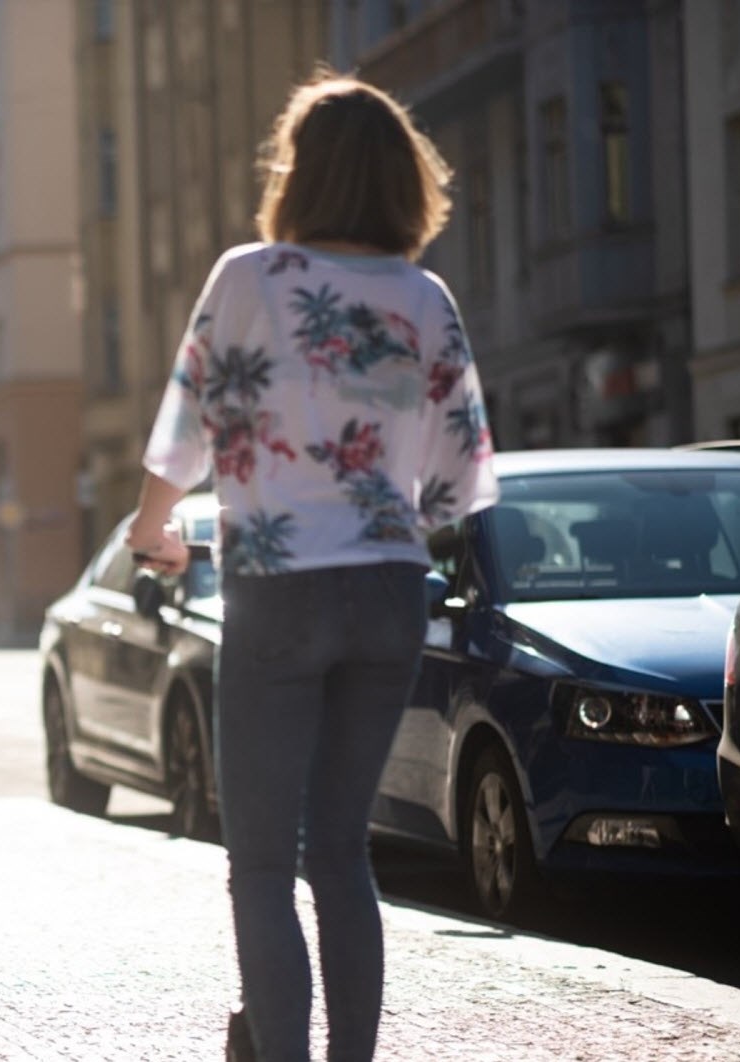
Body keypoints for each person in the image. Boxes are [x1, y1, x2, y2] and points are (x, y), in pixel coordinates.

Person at [126, 73, 498, 1062]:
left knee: (260, 865)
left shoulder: (251, 277)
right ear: (399, 181)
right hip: (386, 595)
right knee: (343, 854)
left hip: (279, 591)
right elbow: (461, 480)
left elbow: (182, 432)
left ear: (299, 174)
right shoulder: (426, 297)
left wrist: (152, 530)